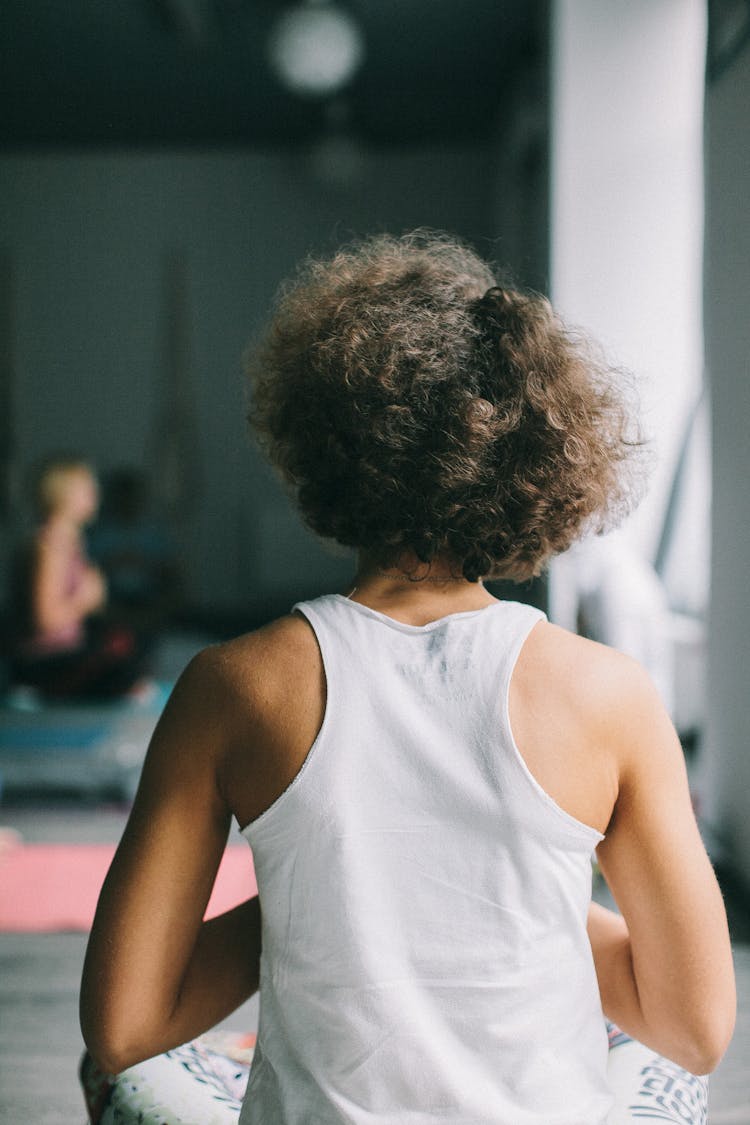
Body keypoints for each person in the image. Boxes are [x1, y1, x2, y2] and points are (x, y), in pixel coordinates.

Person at [80, 232, 735, 1124]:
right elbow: (694, 1027)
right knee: (668, 1076)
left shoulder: (231, 685)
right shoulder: (608, 694)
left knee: (113, 1076)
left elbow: (123, 1026)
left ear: (324, 447)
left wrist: (325, 904)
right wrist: (499, 900)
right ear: (537, 460)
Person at [10, 456, 150, 700]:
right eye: (87, 489)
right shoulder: (50, 546)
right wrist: (85, 599)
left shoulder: (72, 543)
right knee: (121, 666)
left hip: (67, 651)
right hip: (43, 661)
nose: (95, 495)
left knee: (129, 642)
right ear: (62, 494)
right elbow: (46, 619)